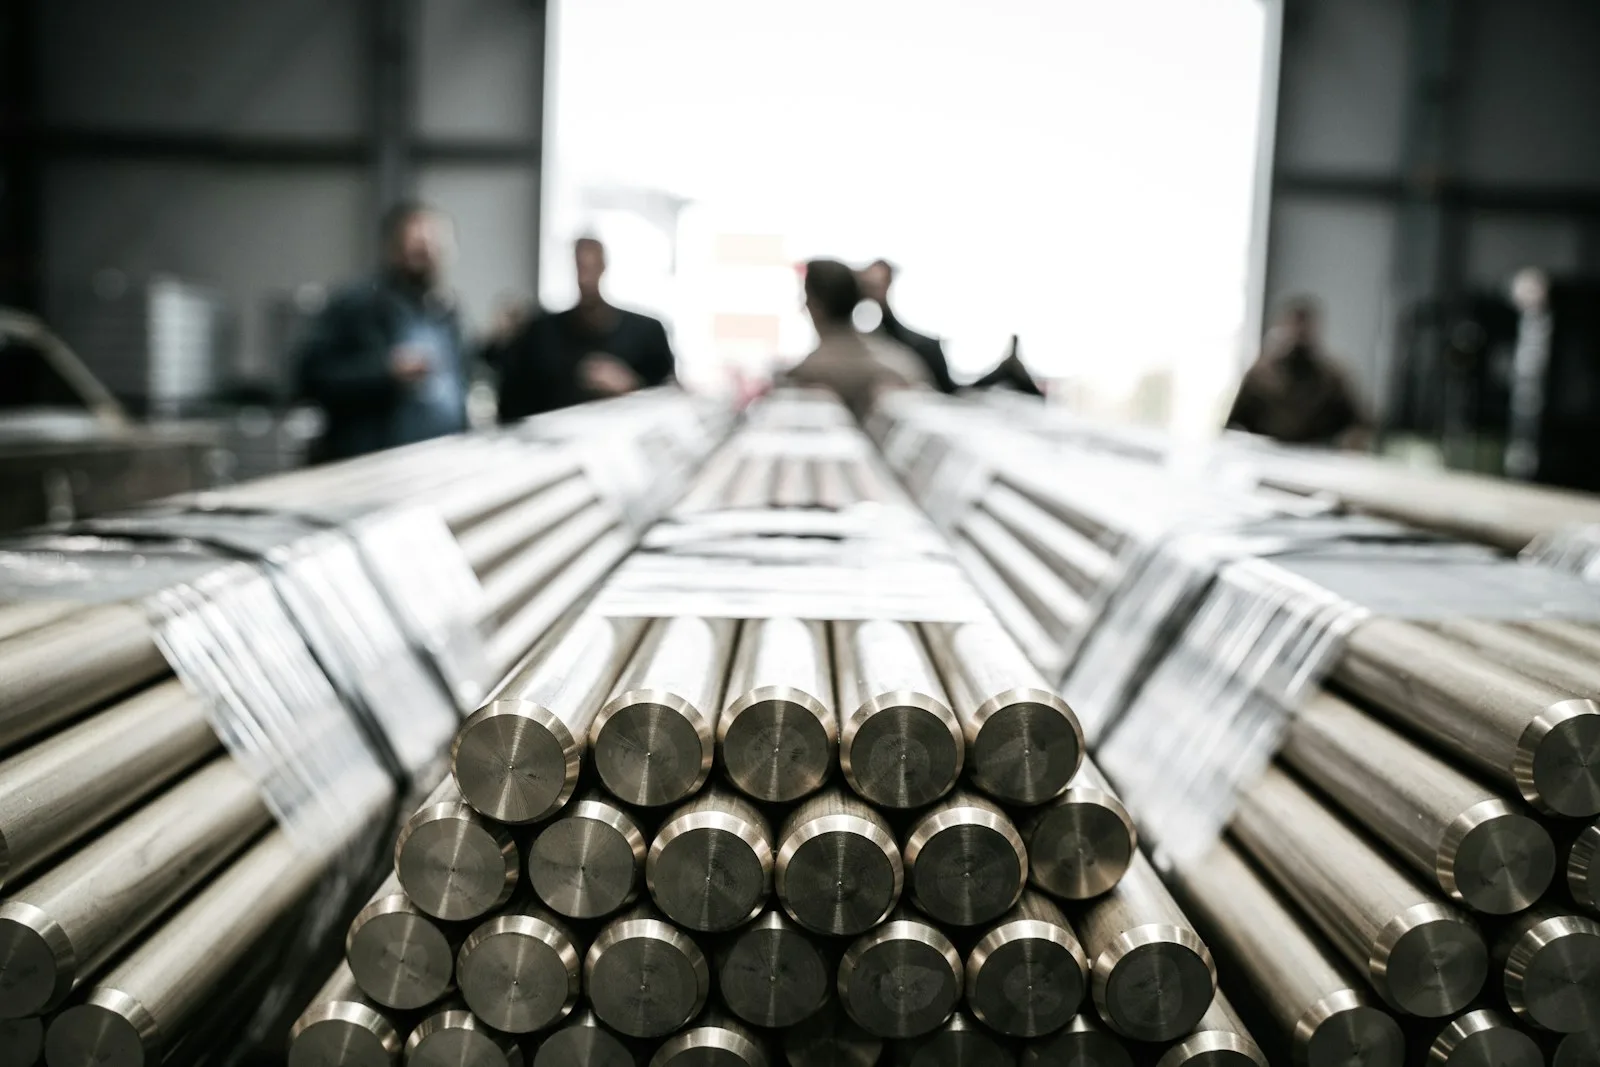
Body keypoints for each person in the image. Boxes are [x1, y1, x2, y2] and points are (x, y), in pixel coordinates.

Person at [295, 201, 467, 461]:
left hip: (436, 464)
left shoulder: (445, 313)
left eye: (436, 246)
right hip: (375, 466)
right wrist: (386, 371)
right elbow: (309, 376)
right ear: (394, 248)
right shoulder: (357, 304)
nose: (428, 252)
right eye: (418, 246)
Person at [494, 237, 676, 420]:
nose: (585, 279)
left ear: (602, 267)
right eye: (580, 268)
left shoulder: (646, 333)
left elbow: (670, 399)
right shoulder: (542, 334)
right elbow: (513, 401)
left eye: (590, 267)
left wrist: (631, 386)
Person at [787, 259, 929, 420]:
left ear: (815, 306)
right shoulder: (905, 363)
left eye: (805, 297)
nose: (802, 305)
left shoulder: (805, 374)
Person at [1226, 296, 1369, 448]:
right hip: (1266, 456)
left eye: (1304, 327)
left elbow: (1359, 424)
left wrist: (1352, 440)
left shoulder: (1332, 378)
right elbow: (1233, 425)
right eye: (1293, 325)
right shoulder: (1259, 377)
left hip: (1316, 458)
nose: (1298, 333)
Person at [858, 259, 957, 393]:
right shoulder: (851, 340)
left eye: (877, 287)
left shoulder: (922, 346)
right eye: (869, 286)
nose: (874, 291)